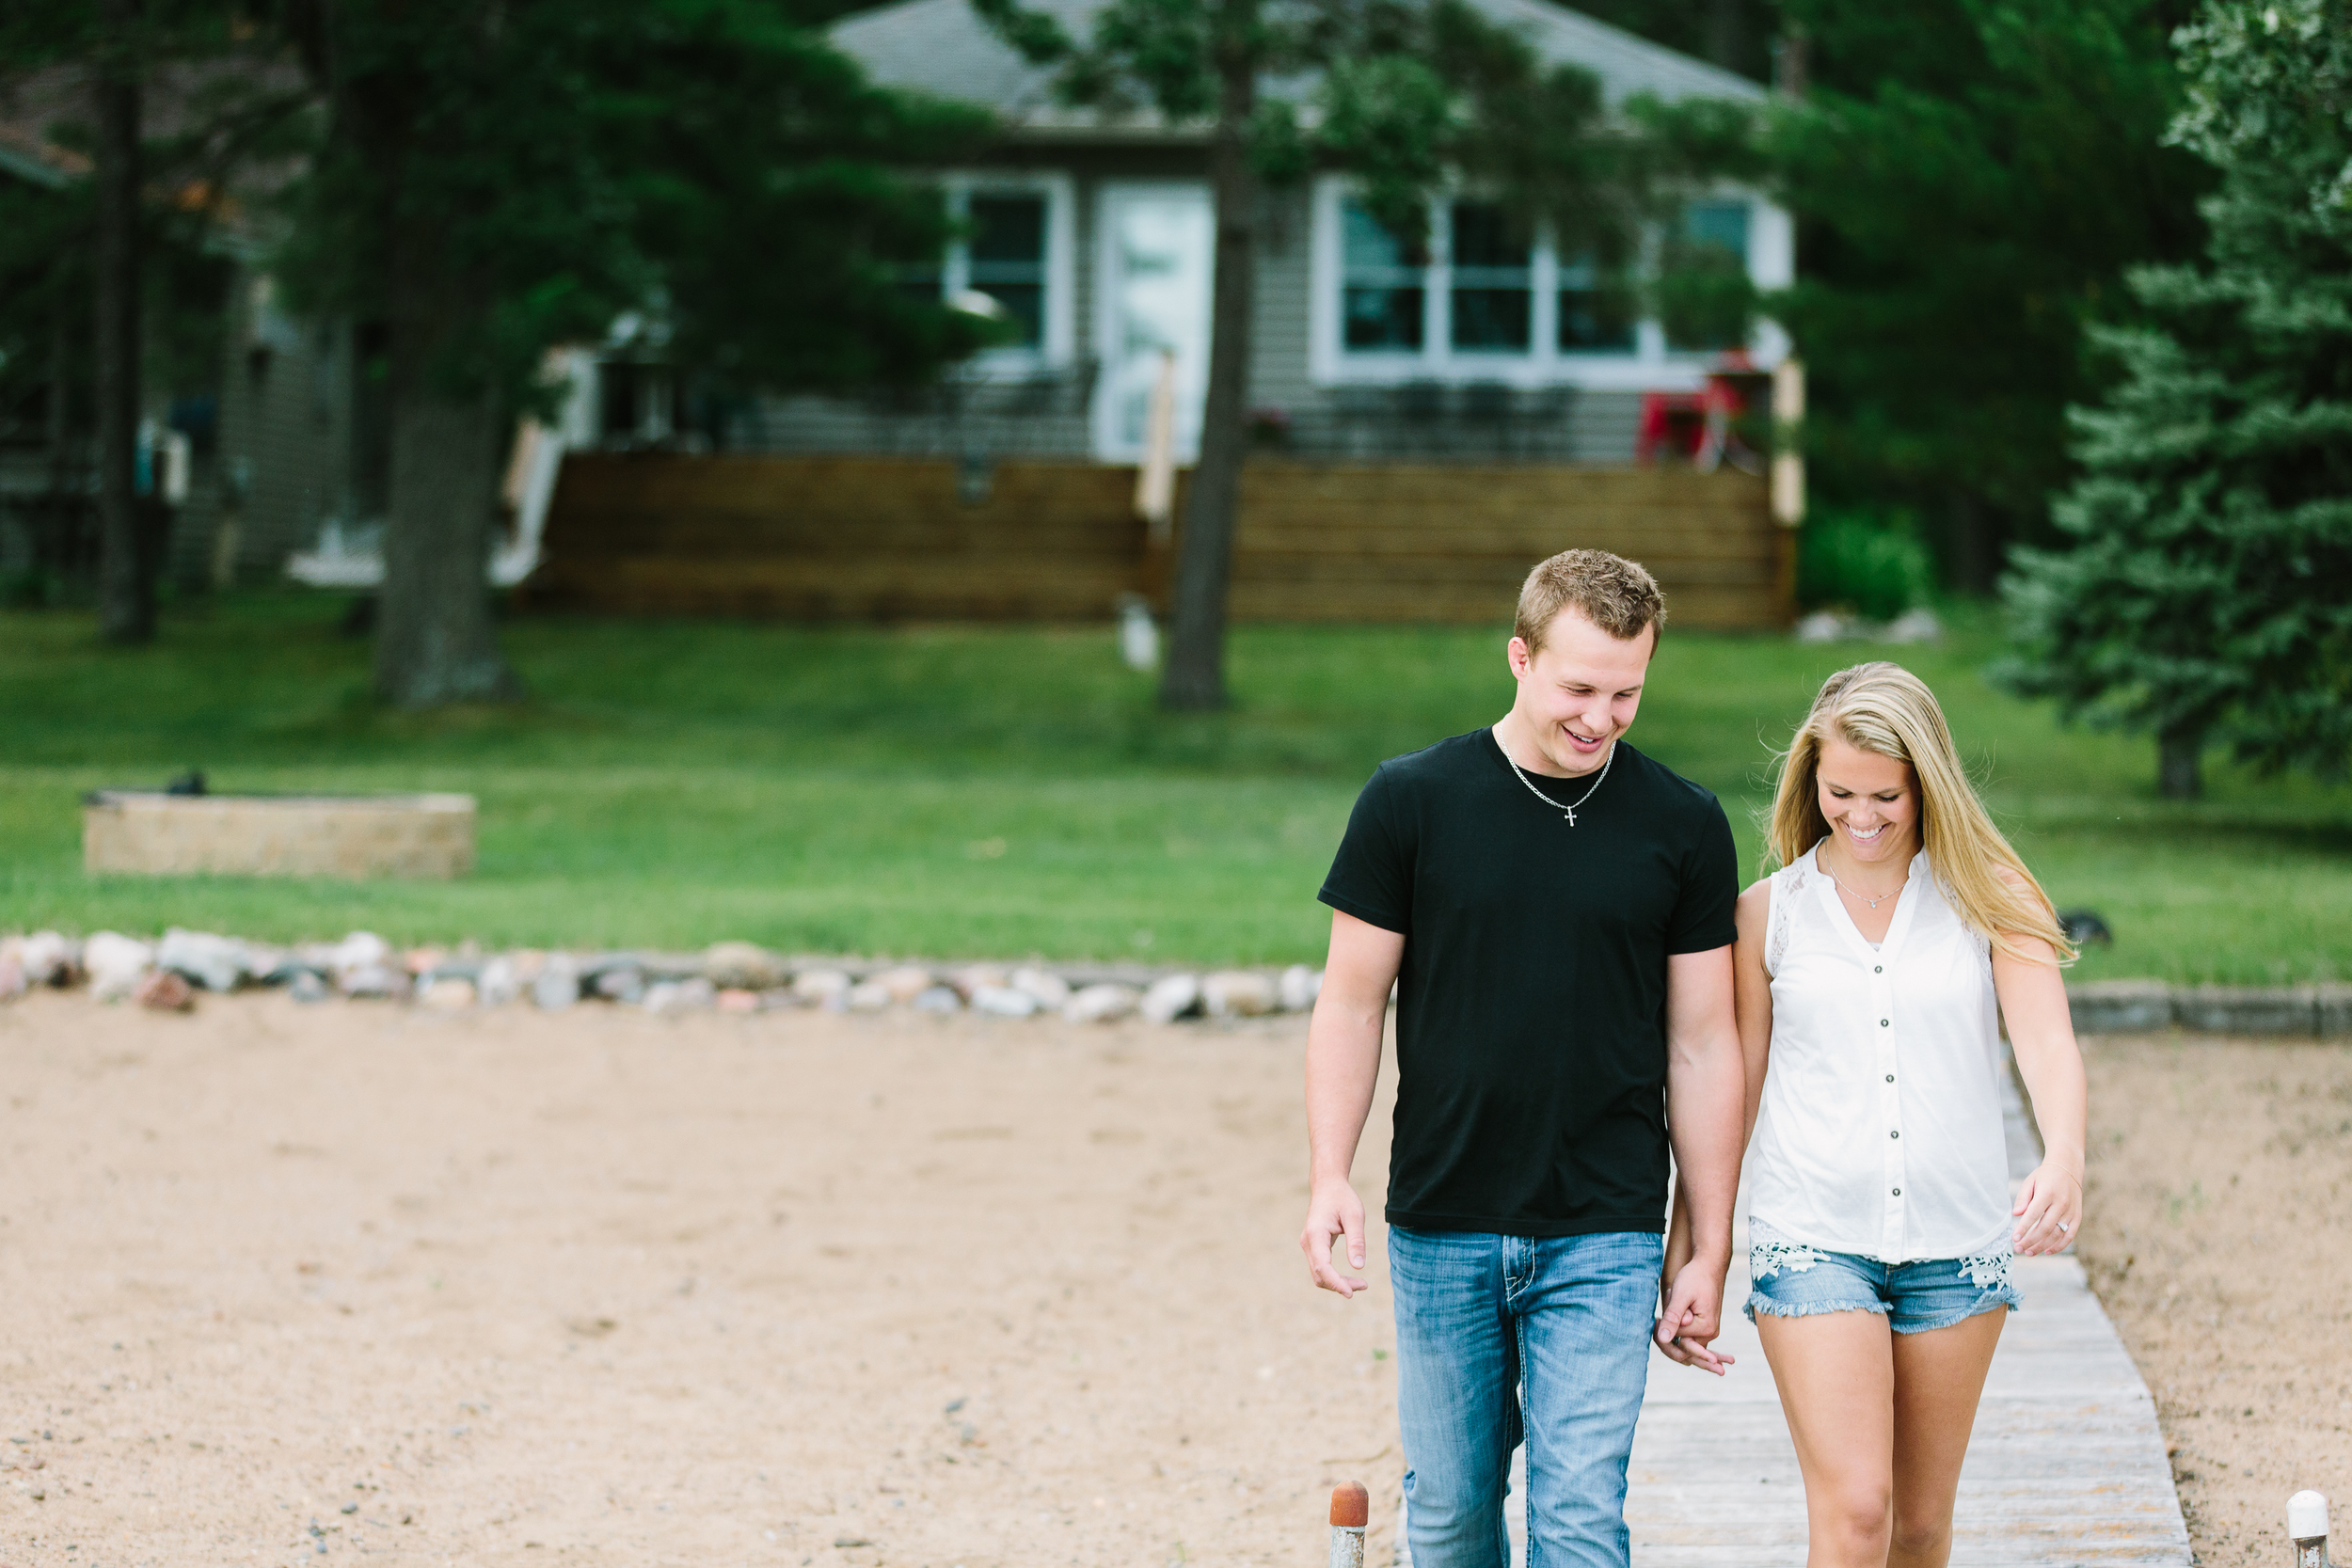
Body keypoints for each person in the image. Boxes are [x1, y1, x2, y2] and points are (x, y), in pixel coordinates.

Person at [1299, 549, 1747, 1568]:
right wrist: (1330, 1172)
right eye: (1579, 687)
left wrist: (1706, 1237)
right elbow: (1352, 1002)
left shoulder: (1681, 823)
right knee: (1452, 1517)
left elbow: (1703, 1039)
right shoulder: (1410, 800)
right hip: (1443, 1214)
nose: (1602, 716)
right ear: (1519, 655)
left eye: (1627, 691)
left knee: (1580, 1522)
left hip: (1605, 1225)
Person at [1707, 661, 2087, 1568]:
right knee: (1858, 1513)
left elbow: (2044, 1043)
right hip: (1812, 1238)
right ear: (1811, 780)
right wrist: (1704, 1236)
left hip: (1957, 1243)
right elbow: (1739, 1081)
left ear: (1929, 785)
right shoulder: (1769, 915)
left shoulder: (1991, 896)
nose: (1863, 815)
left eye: (1888, 794)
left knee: (1918, 1527)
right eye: (1840, 792)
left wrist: (2065, 1153)